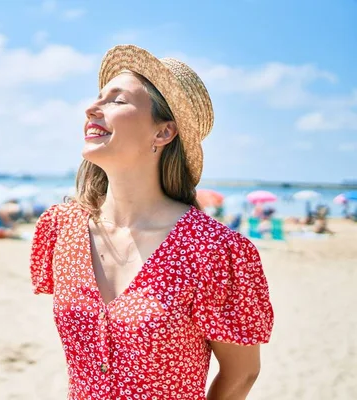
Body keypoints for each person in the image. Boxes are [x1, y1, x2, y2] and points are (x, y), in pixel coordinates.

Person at [29, 45, 274, 399]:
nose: (91, 108)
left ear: (163, 132)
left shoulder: (214, 250)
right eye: (99, 96)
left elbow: (242, 373)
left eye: (117, 100)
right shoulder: (62, 228)